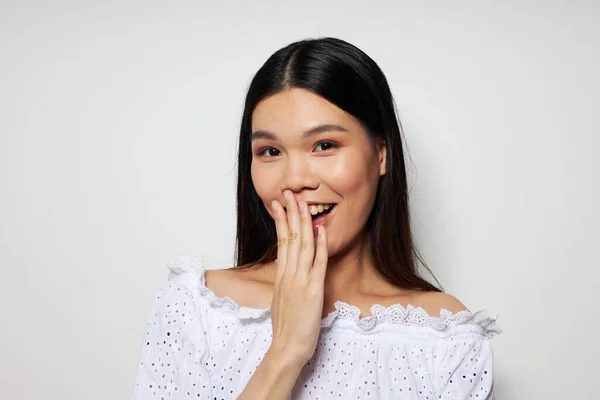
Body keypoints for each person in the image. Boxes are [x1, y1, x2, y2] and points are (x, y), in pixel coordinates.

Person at [131, 37, 501, 400]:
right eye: (270, 151)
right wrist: (285, 353)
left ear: (382, 154)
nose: (294, 180)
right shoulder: (196, 310)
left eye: (324, 145)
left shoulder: (444, 338)